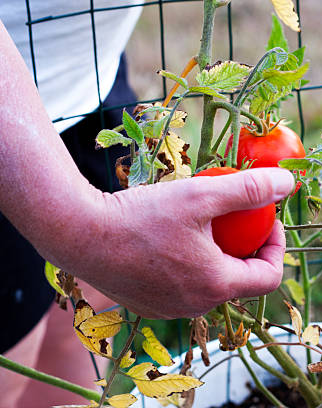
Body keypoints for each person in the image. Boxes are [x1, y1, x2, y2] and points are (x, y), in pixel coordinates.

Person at [0, 2, 293, 406]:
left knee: (78, 320)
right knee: (11, 362)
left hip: (90, 77)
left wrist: (96, 242)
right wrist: (91, 233)